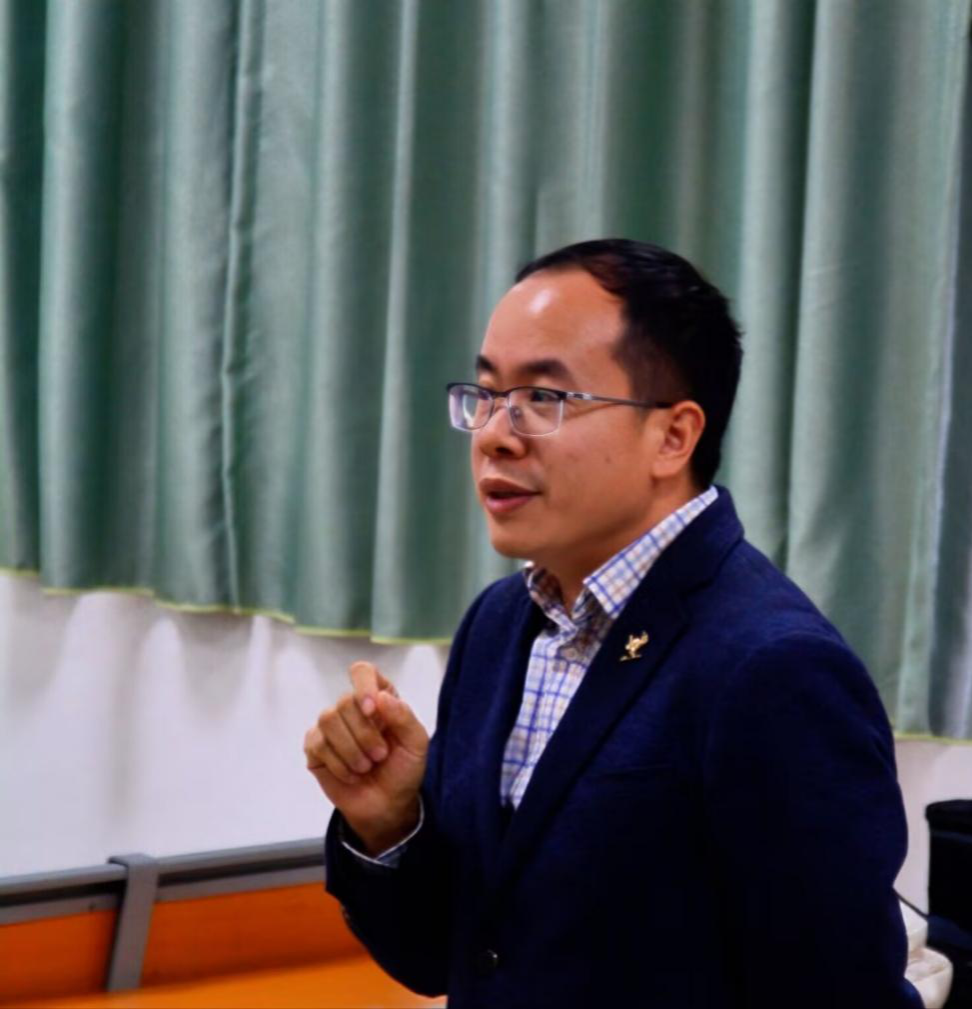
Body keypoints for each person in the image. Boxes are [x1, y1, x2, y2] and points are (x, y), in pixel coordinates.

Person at [305, 238, 922, 1008]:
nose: (495, 433)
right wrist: (392, 823)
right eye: (487, 394)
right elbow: (453, 958)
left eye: (544, 398)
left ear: (673, 436)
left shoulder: (773, 667)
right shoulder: (498, 625)